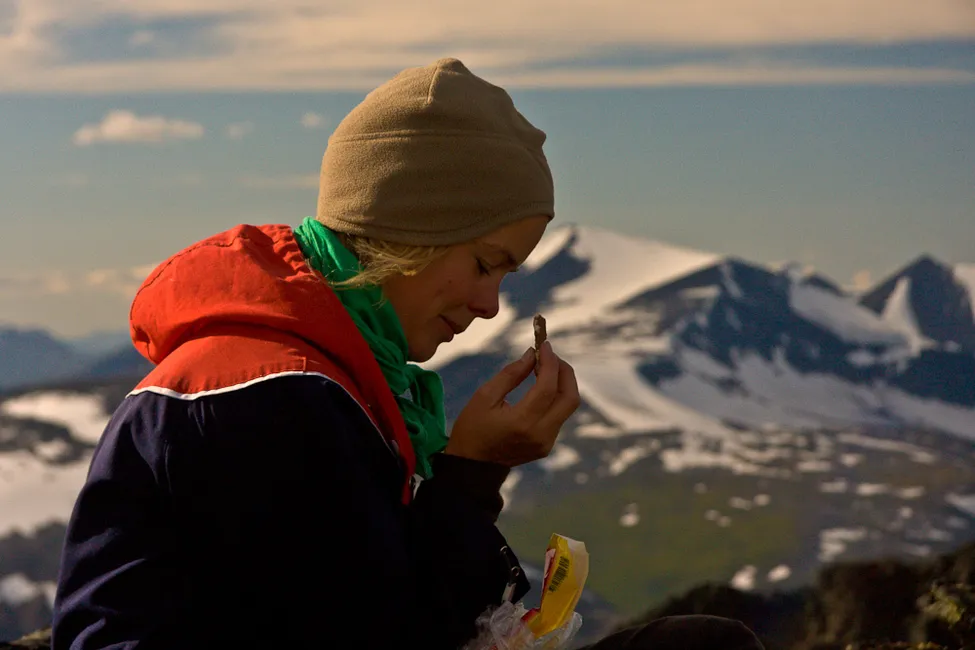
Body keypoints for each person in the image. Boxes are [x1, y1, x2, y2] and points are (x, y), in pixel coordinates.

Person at [51, 58, 764, 650]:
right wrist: (470, 474)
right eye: (485, 263)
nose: (489, 306)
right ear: (409, 232)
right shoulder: (272, 391)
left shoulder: (317, 371)